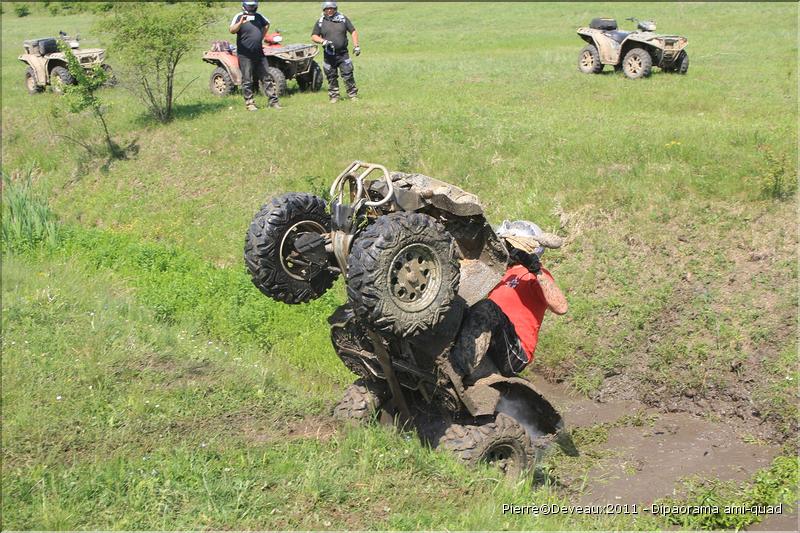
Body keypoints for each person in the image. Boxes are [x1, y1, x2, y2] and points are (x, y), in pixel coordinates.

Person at [449, 221, 568, 382]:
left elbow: (561, 307)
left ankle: (456, 372)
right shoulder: (502, 273)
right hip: (494, 339)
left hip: (516, 351)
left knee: (488, 308)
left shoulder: (535, 274)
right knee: (458, 307)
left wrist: (536, 270)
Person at [229, 0, 280, 111]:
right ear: (244, 6)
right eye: (250, 6)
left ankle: (273, 102)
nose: (252, 8)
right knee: (247, 79)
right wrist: (240, 23)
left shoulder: (259, 16)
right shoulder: (239, 16)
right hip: (244, 54)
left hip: (259, 53)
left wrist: (261, 36)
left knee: (266, 77)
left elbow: (267, 24)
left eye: (253, 6)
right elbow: (231, 30)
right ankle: (249, 103)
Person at [310, 1, 360, 103]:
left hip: (343, 54)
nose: (329, 10)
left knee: (348, 74)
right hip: (328, 55)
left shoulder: (343, 19)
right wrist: (323, 41)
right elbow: (314, 36)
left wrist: (356, 46)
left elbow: (353, 31)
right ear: (324, 10)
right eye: (327, 9)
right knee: (331, 76)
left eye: (331, 8)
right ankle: (334, 96)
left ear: (335, 9)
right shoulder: (320, 22)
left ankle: (353, 95)